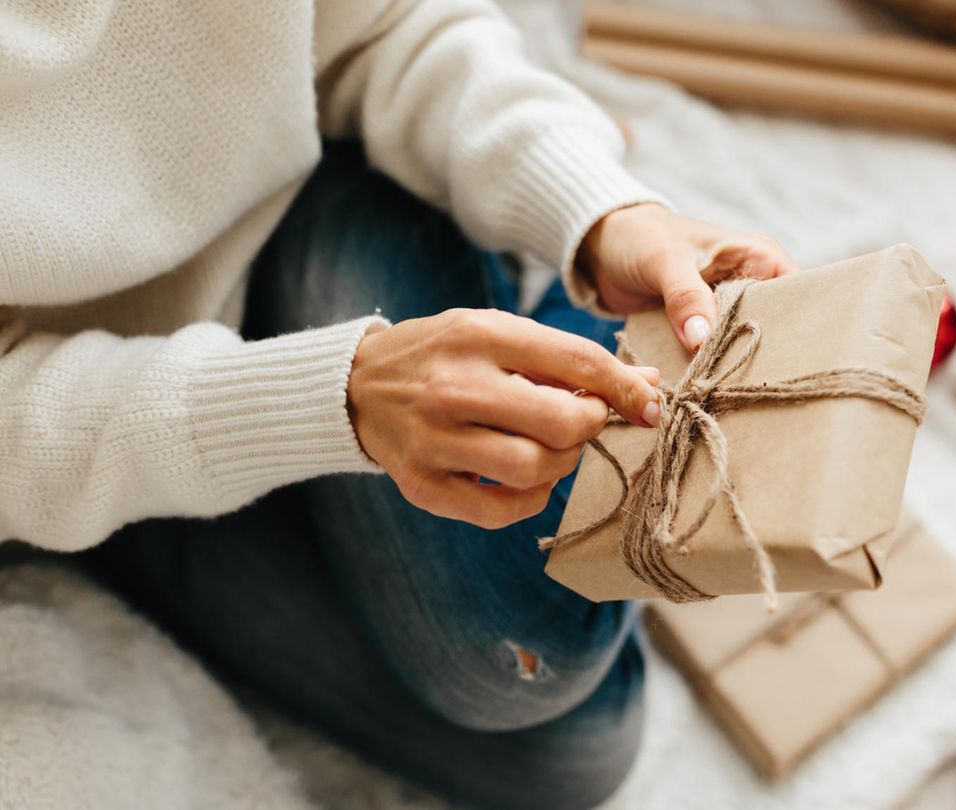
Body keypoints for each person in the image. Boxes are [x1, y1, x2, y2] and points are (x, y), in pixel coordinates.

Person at [0, 1, 797, 807]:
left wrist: (596, 209)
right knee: (570, 747)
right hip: (89, 416)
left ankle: (570, 286)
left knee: (531, 652)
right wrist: (330, 399)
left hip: (310, 199)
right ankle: (549, 314)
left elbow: (392, 24)